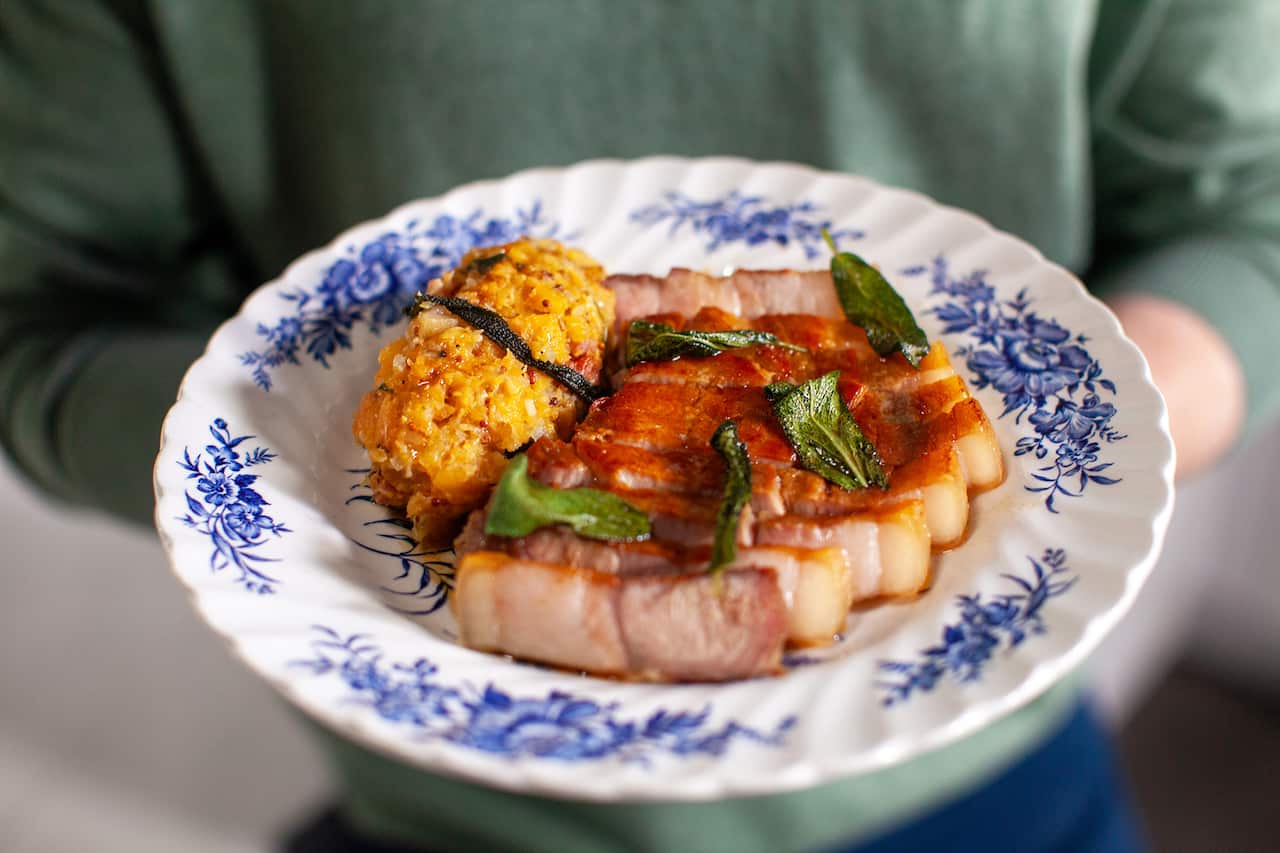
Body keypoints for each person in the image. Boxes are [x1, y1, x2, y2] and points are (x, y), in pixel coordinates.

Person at [2, 2, 1276, 851]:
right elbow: (34, 319)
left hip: (979, 777)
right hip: (445, 816)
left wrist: (1071, 433)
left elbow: (1248, 210)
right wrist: (277, 463)